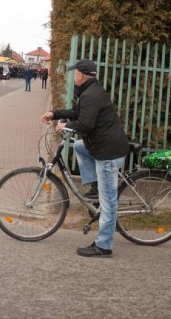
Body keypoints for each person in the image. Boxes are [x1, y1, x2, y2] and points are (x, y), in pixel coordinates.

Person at [41, 58, 129, 257]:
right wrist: (54, 114)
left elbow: (86, 125)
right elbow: (76, 113)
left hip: (108, 153)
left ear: (80, 75)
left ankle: (104, 245)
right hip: (103, 146)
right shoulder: (92, 92)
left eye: (75, 73)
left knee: (108, 203)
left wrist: (67, 126)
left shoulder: (90, 95)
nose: (74, 76)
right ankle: (95, 186)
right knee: (80, 146)